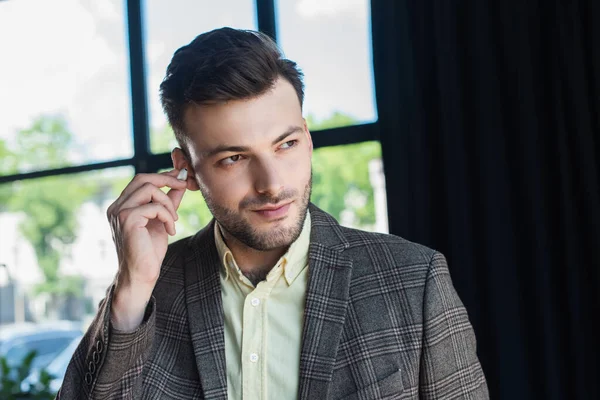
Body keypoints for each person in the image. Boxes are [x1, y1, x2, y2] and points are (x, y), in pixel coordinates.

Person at [58, 27, 488, 399]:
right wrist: (132, 291)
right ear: (184, 169)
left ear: (308, 138)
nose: (272, 184)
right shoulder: (148, 292)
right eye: (234, 158)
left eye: (286, 145)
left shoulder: (415, 280)